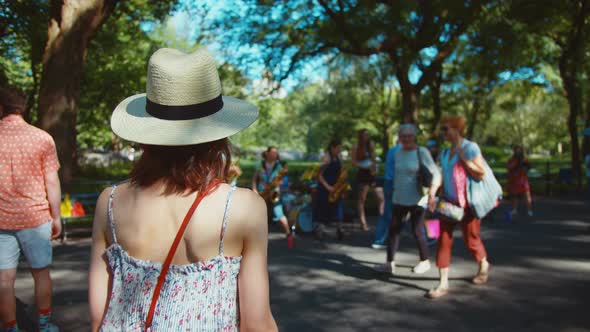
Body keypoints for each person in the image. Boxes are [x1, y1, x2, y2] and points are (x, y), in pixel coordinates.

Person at [89, 48, 277, 331]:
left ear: (147, 135)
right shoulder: (243, 208)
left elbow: (98, 318)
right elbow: (257, 322)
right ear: (218, 133)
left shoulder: (110, 202)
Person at [0, 87, 62, 332]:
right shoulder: (42, 138)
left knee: (4, 280)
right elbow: (52, 181)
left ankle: (11, 327)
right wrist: (56, 216)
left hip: (1, 220)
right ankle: (45, 325)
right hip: (36, 218)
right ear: (23, 107)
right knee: (41, 273)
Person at [428, 116, 491, 299]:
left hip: (468, 204)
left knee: (471, 239)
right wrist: (432, 193)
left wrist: (466, 161)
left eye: (446, 129)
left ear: (456, 129)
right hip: (449, 204)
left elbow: (481, 173)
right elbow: (439, 175)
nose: (443, 132)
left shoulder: (470, 148)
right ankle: (442, 283)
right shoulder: (445, 153)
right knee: (443, 240)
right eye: (442, 129)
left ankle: (483, 264)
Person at [374, 124, 441, 274]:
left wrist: (432, 194)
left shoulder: (421, 152)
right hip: (399, 197)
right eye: (403, 136)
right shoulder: (398, 153)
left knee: (417, 230)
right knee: (394, 230)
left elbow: (436, 173)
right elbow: (396, 175)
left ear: (414, 136)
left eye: (408, 136)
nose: (405, 139)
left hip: (418, 198)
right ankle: (389, 263)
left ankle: (424, 261)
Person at [252, 146, 294, 246]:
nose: (274, 155)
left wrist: (278, 184)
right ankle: (254, 237)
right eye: (273, 153)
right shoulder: (260, 165)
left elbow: (281, 180)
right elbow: (254, 179)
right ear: (267, 153)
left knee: (278, 212)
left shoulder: (279, 166)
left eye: (276, 153)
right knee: (258, 214)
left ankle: (289, 234)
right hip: (262, 192)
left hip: (273, 192)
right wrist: (254, 190)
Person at [351, 129, 385, 231]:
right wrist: (364, 167)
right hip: (363, 174)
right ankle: (363, 223)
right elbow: (353, 162)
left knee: (381, 197)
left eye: (368, 135)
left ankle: (383, 221)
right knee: (362, 199)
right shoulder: (356, 147)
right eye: (365, 135)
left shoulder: (371, 146)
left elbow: (374, 158)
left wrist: (374, 166)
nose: (366, 137)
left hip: (372, 174)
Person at [314, 139, 345, 240]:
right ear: (332, 148)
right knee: (323, 209)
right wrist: (328, 187)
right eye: (338, 149)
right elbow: (318, 175)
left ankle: (339, 229)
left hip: (336, 187)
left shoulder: (339, 157)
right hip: (325, 187)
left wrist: (341, 186)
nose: (339, 151)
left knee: (338, 208)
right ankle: (319, 230)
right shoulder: (326, 158)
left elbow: (341, 172)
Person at [507, 146, 533, 217]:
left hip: (523, 180)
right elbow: (509, 167)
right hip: (514, 180)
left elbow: (528, 168)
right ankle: (514, 209)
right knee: (514, 196)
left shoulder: (524, 160)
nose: (518, 152)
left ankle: (529, 210)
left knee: (527, 195)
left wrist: (524, 167)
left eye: (519, 151)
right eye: (516, 151)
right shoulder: (512, 160)